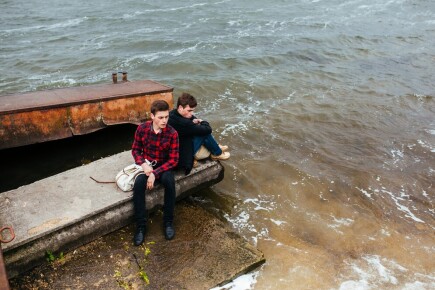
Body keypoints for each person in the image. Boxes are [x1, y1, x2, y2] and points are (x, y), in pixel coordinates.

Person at [131, 100, 179, 245]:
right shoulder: (142, 128)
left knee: (169, 182)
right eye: (160, 117)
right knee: (138, 184)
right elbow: (135, 150)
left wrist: (154, 173)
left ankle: (168, 222)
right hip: (147, 164)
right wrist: (144, 165)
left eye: (166, 117)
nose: (164, 121)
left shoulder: (172, 133)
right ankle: (141, 226)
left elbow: (174, 160)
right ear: (152, 116)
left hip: (164, 167)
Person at [169, 92, 230, 175]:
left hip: (178, 145)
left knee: (198, 129)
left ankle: (215, 146)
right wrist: (202, 121)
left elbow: (192, 118)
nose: (191, 113)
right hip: (182, 155)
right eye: (189, 111)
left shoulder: (172, 114)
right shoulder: (184, 123)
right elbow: (208, 129)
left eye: (193, 111)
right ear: (180, 107)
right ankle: (217, 153)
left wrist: (194, 120)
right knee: (204, 134)